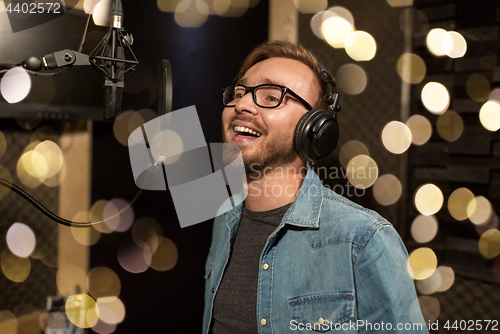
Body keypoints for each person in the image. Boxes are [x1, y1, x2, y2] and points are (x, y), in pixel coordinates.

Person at [203, 41, 428, 334]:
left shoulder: (363, 239)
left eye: (271, 96)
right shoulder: (225, 217)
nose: (242, 104)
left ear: (314, 128)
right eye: (240, 93)